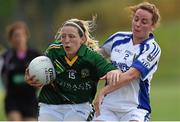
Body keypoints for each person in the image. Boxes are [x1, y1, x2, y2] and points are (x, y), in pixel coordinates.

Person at [25, 18, 119, 121]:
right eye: (63, 36)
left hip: (79, 106)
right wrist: (31, 76)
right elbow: (41, 69)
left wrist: (113, 72)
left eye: (71, 36)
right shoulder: (54, 51)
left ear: (82, 39)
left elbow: (112, 70)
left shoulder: (92, 57)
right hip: (50, 105)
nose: (66, 40)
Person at [95, 2, 161, 121]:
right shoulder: (118, 38)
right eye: (136, 19)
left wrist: (103, 91)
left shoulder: (152, 48)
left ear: (152, 26)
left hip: (134, 108)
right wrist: (80, 46)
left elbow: (130, 75)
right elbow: (97, 56)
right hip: (108, 106)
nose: (138, 24)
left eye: (144, 22)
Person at [0, 21, 41, 121]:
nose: (19, 39)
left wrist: (40, 84)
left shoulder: (35, 56)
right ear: (10, 39)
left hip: (30, 100)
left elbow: (44, 76)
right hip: (13, 100)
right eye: (16, 36)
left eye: (21, 35)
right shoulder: (6, 57)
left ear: (26, 36)